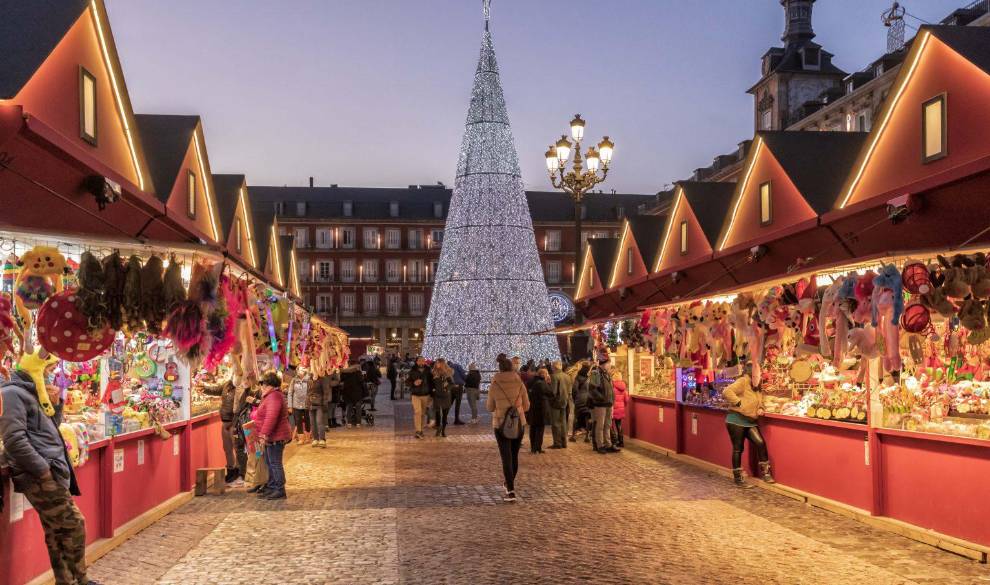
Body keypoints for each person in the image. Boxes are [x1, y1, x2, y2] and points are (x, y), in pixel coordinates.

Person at [0, 353, 91, 585]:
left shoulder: (34, 393)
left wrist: (56, 402)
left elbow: (51, 428)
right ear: (35, 367)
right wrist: (42, 469)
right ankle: (80, 579)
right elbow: (14, 440)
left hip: (52, 469)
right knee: (74, 523)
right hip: (40, 474)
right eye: (48, 369)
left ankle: (67, 580)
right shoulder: (12, 393)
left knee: (56, 531)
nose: (50, 374)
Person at [722, 363, 775, 487]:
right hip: (736, 419)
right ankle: (738, 478)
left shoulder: (756, 385)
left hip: (750, 421)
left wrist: (761, 407)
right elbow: (727, 391)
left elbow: (759, 400)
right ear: (751, 372)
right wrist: (739, 403)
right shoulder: (743, 381)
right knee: (738, 449)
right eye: (757, 372)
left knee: (760, 443)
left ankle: (766, 473)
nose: (759, 374)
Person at [486, 355, 530, 502]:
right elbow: (527, 406)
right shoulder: (519, 382)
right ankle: (509, 484)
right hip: (518, 423)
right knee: (514, 455)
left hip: (500, 424)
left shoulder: (495, 383)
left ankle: (510, 490)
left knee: (506, 457)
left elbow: (490, 407)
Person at [255, 372, 291, 500]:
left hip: (276, 436)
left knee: (275, 463)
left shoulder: (274, 396)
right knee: (270, 463)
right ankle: (272, 487)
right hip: (272, 436)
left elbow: (271, 417)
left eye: (263, 384)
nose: (261, 386)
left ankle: (280, 490)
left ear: (269, 384)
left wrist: (264, 434)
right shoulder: (270, 395)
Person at [588, 358, 619, 453]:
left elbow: (610, 388)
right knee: (600, 426)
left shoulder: (606, 374)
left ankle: (608, 444)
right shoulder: (595, 373)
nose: (610, 365)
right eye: (608, 363)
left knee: (607, 425)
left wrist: (612, 400)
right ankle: (600, 445)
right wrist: (601, 398)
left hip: (608, 403)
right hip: (600, 404)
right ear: (603, 364)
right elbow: (592, 389)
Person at [407, 356, 433, 439]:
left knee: (422, 414)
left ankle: (421, 430)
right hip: (415, 394)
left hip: (426, 395)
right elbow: (407, 381)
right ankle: (418, 430)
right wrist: (414, 383)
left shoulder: (428, 370)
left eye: (423, 361)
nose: (422, 362)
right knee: (418, 412)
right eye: (420, 361)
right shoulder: (413, 370)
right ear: (417, 362)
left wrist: (432, 393)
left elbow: (432, 381)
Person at [526, 367, 550, 454]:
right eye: (547, 374)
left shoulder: (531, 381)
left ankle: (533, 447)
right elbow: (550, 393)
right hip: (541, 409)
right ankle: (537, 448)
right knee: (540, 429)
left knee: (533, 428)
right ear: (543, 374)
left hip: (532, 408)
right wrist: (548, 384)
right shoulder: (542, 383)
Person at [548, 361, 572, 448]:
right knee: (563, 422)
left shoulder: (554, 376)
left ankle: (557, 443)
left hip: (556, 402)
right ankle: (564, 442)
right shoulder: (567, 376)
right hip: (565, 401)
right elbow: (570, 390)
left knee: (555, 423)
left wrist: (549, 400)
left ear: (554, 367)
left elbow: (553, 392)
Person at [287, 367, 311, 445]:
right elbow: (290, 393)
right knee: (298, 421)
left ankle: (308, 437)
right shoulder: (294, 380)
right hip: (296, 404)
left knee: (308, 420)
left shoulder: (309, 380)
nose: (299, 371)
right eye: (298, 369)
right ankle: (301, 438)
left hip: (306, 404)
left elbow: (311, 392)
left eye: (301, 369)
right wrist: (290, 406)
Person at [308, 369, 331, 447]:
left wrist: (324, 403)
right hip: (310, 403)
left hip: (319, 403)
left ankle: (322, 439)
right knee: (312, 423)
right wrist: (307, 403)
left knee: (319, 422)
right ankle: (315, 439)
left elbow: (326, 392)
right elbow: (307, 392)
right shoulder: (309, 379)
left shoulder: (322, 379)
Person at [431, 360, 454, 437]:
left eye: (438, 363)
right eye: (436, 363)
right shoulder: (433, 373)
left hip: (445, 396)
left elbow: (451, 384)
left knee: (445, 414)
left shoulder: (447, 374)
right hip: (437, 396)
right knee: (437, 414)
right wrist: (433, 389)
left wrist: (447, 388)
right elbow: (430, 383)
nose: (437, 364)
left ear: (442, 364)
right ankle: (438, 428)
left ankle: (443, 431)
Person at [570, 362, 591, 443]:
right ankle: (587, 436)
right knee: (587, 417)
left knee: (576, 417)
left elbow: (574, 390)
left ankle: (573, 436)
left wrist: (576, 399)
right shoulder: (589, 377)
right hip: (588, 400)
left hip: (580, 400)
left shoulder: (578, 377)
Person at [340, 361, 365, 427]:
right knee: (358, 407)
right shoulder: (358, 372)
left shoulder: (344, 372)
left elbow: (341, 381)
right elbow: (361, 382)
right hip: (357, 393)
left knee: (349, 407)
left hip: (348, 393)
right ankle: (358, 423)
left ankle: (349, 423)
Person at [611, 369, 630, 448]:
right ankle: (621, 441)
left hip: (613, 409)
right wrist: (623, 405)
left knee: (611, 426)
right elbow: (626, 400)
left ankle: (614, 441)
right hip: (621, 409)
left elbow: (610, 398)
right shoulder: (624, 388)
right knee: (619, 425)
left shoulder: (612, 387)